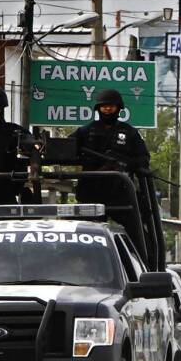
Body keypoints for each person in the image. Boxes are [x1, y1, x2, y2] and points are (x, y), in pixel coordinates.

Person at [69, 89, 152, 253]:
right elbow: (65, 149)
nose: (107, 109)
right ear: (98, 109)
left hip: (119, 193)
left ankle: (145, 266)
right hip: (91, 192)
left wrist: (126, 164)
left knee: (139, 235)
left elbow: (143, 158)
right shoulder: (86, 132)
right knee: (80, 238)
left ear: (118, 108)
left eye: (111, 107)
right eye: (104, 106)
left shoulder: (129, 133)